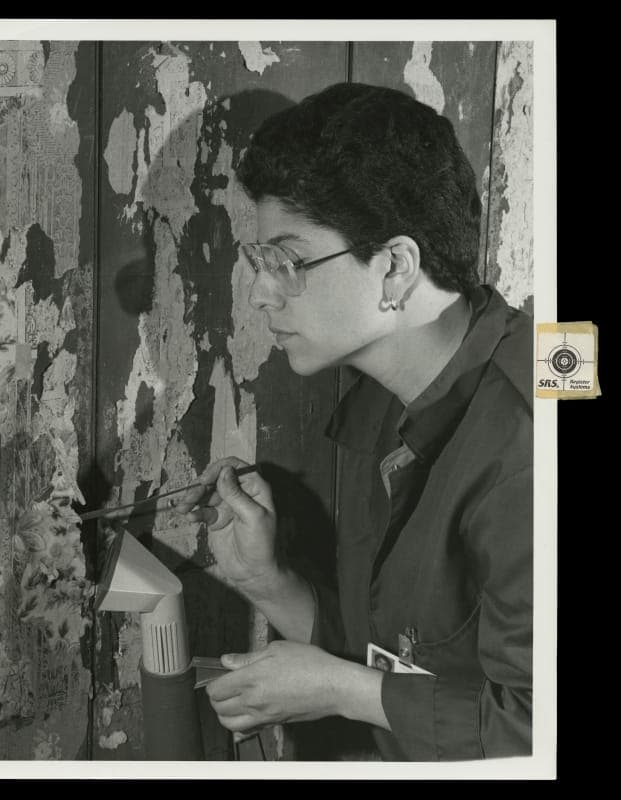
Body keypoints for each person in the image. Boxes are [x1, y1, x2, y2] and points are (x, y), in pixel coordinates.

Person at [173, 83, 532, 761]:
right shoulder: (389, 404)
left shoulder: (526, 447)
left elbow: (536, 734)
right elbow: (406, 663)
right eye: (259, 262)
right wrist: (265, 582)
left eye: (286, 261)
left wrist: (343, 691)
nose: (258, 292)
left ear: (393, 268)